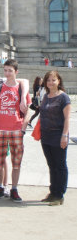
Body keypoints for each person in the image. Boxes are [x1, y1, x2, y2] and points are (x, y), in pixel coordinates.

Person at [0, 59, 31, 202]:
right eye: (5, 70)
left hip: (16, 129)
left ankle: (14, 188)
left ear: (16, 72)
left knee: (16, 163)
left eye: (10, 71)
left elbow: (27, 112)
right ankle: (0, 187)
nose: (7, 73)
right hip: (0, 129)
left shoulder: (21, 88)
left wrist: (23, 129)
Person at [39, 71, 71, 206]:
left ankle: (59, 194)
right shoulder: (46, 96)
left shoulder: (64, 98)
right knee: (51, 165)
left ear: (59, 81)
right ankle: (53, 192)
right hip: (46, 136)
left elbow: (67, 118)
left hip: (58, 135)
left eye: (53, 80)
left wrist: (64, 135)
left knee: (60, 165)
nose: (50, 83)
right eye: (48, 80)